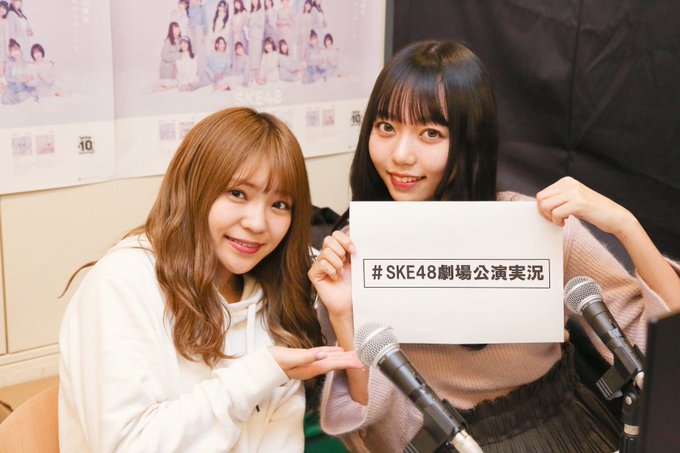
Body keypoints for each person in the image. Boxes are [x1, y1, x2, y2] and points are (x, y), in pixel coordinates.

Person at [308, 40, 680, 453]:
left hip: (560, 435)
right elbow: (368, 425)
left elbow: (660, 347)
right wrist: (342, 315)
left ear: (471, 140)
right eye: (386, 127)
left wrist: (627, 226)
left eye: (430, 133)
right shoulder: (352, 250)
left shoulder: (536, 226)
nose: (400, 154)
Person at [59, 107, 363, 452]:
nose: (257, 223)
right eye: (238, 194)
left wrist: (341, 314)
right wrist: (260, 372)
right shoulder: (121, 283)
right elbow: (127, 445)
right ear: (194, 186)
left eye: (280, 204)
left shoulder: (274, 288)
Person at [1, 38, 34, 104]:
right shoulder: (9, 64)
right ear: (10, 53)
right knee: (4, 100)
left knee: (22, 97)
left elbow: (30, 77)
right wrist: (20, 79)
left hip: (23, 88)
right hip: (11, 87)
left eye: (16, 50)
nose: (14, 53)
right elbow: (8, 78)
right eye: (12, 51)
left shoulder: (26, 64)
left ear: (20, 49)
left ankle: (20, 97)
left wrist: (28, 79)